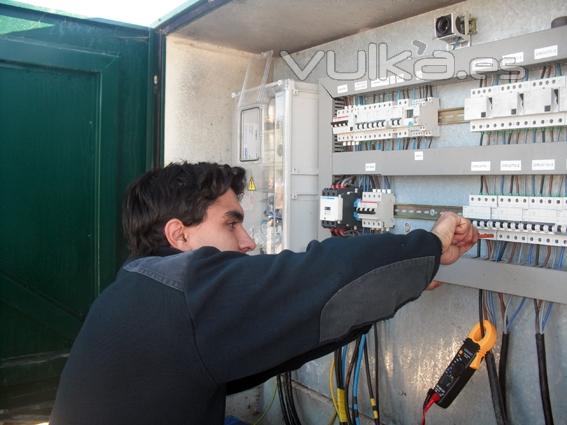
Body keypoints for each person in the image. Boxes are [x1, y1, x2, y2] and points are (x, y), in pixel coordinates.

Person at [50, 161, 478, 425]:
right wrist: (430, 244)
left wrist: (404, 278)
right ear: (178, 235)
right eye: (231, 223)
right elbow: (311, 278)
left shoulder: (140, 289)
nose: (248, 241)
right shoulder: (184, 290)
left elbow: (291, 327)